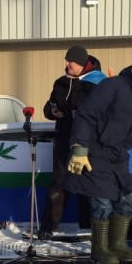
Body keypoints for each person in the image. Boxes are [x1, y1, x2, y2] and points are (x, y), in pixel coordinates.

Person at [64, 59, 132, 264]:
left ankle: (118, 245)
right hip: (94, 153)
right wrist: (79, 148)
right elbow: (86, 116)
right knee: (102, 201)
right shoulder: (113, 86)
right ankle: (100, 249)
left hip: (118, 158)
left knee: (128, 196)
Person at [38, 45, 106, 238]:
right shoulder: (60, 83)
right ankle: (48, 227)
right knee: (58, 184)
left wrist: (81, 114)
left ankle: (90, 226)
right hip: (64, 140)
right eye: (66, 60)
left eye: (71, 62)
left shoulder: (98, 83)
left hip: (89, 144)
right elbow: (48, 107)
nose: (67, 64)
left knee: (88, 184)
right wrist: (52, 111)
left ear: (83, 63)